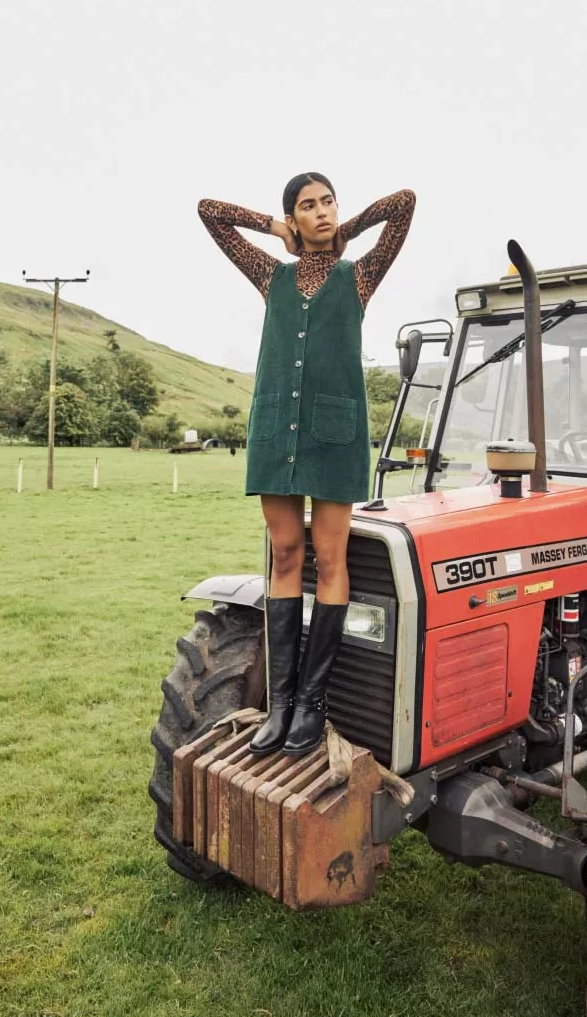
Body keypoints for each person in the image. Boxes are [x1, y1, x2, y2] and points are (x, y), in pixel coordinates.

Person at [198, 175, 415, 756]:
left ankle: (311, 707)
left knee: (331, 557)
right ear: (292, 216)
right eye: (306, 206)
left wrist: (343, 233)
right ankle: (282, 702)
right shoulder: (272, 275)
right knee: (286, 554)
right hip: (277, 431)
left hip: (334, 434)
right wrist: (277, 231)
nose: (320, 212)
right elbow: (209, 211)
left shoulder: (359, 275)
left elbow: (402, 205)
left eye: (327, 202)